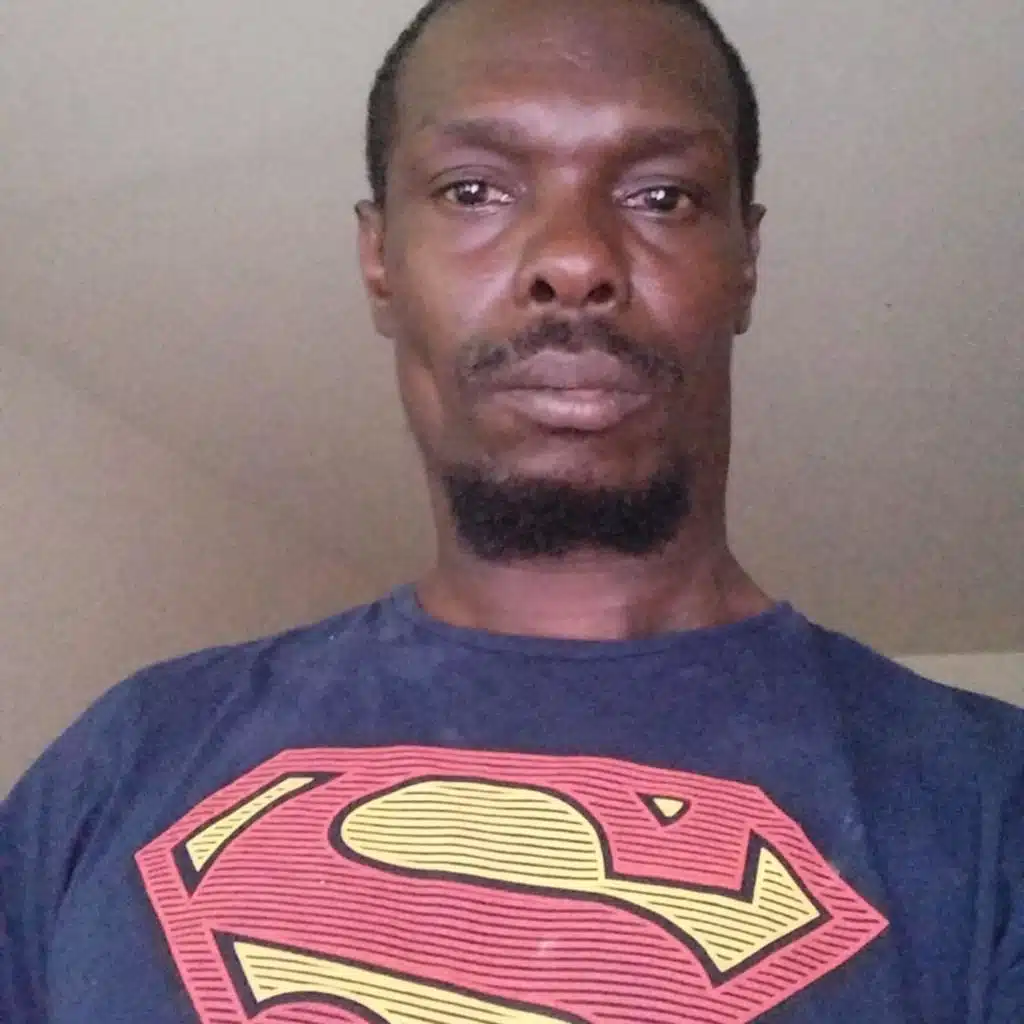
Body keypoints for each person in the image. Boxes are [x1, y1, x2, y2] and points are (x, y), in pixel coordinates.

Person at [1, 0, 1021, 1020]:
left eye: (663, 196)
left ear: (743, 262)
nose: (574, 259)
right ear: (379, 259)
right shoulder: (125, 759)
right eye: (474, 190)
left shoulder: (988, 800)